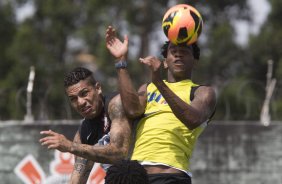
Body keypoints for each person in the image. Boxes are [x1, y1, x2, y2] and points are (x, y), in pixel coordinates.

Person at [105, 26, 217, 184]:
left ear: (195, 61)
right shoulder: (147, 88)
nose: (178, 54)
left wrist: (158, 82)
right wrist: (120, 61)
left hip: (170, 176)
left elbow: (192, 119)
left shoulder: (202, 92)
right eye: (173, 51)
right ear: (165, 62)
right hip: (136, 175)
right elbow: (132, 110)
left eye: (185, 51)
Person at [39, 67, 132, 183]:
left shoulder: (115, 105)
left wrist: (70, 147)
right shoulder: (83, 133)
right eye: (73, 99)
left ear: (98, 88)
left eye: (84, 93)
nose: (80, 102)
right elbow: (76, 180)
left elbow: (119, 153)